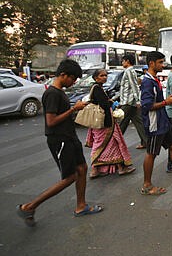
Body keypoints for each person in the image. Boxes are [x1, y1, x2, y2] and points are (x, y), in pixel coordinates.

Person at [16, 59, 103, 226]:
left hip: (70, 136)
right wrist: (73, 109)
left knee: (82, 168)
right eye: (72, 78)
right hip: (60, 139)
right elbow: (51, 121)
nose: (74, 82)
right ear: (63, 75)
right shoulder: (52, 94)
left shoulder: (60, 91)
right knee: (70, 177)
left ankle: (81, 206)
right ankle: (30, 206)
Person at [140, 51, 172, 195]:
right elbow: (147, 106)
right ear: (152, 63)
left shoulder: (154, 79)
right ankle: (147, 185)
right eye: (160, 62)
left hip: (163, 121)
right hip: (155, 124)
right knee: (151, 153)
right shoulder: (148, 82)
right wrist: (167, 102)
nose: (163, 65)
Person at [85, 69, 136, 178]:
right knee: (107, 144)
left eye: (105, 75)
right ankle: (96, 169)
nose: (104, 77)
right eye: (102, 75)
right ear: (96, 78)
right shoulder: (97, 89)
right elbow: (103, 104)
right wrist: (111, 103)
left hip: (102, 122)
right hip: (103, 123)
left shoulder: (99, 88)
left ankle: (118, 167)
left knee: (113, 144)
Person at [118, 54, 148, 150]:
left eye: (123, 61)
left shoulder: (129, 71)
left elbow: (134, 86)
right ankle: (146, 142)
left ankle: (115, 144)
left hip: (129, 102)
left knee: (120, 124)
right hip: (130, 102)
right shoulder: (130, 71)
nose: (122, 63)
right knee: (139, 123)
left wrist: (138, 100)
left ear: (127, 61)